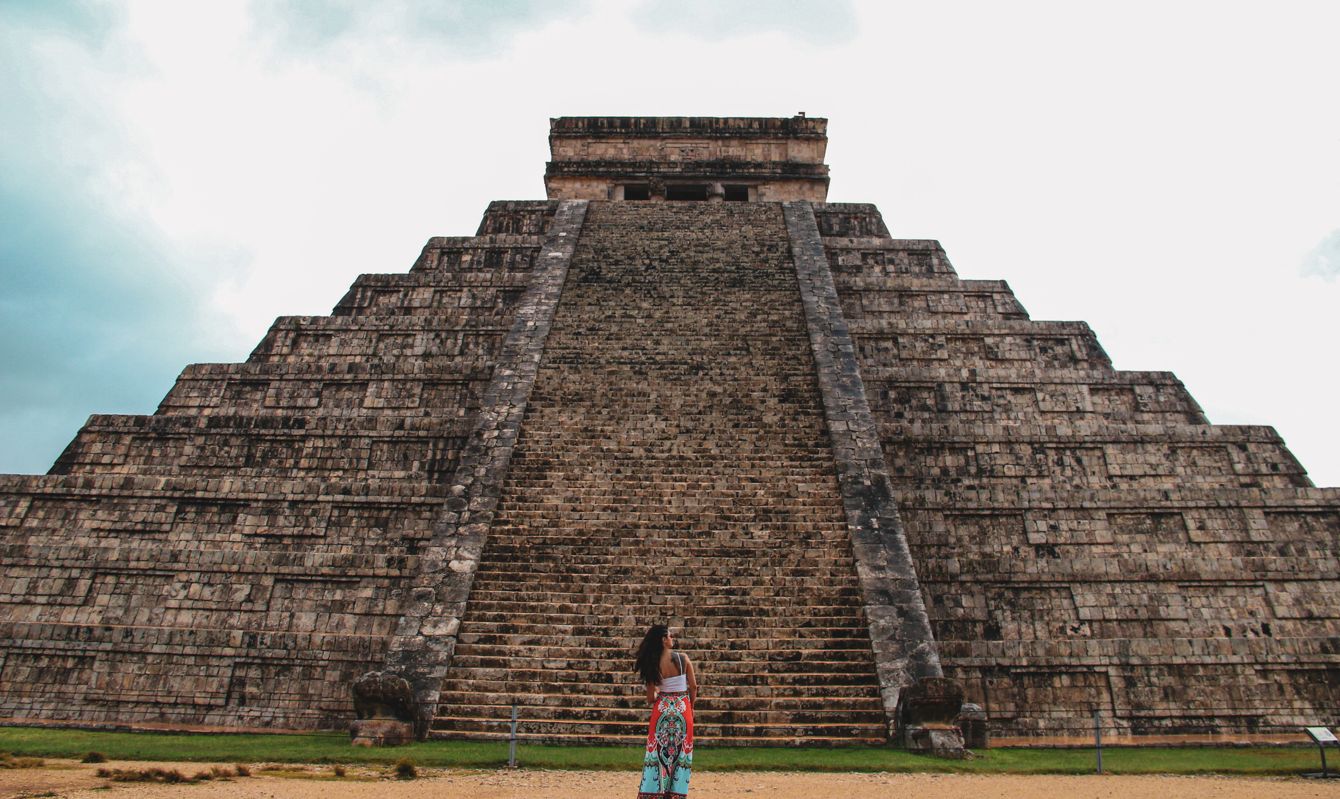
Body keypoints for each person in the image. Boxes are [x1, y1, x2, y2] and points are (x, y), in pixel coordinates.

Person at [634, 623, 697, 799]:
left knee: (657, 754)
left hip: (662, 710)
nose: (672, 638)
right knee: (681, 754)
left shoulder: (652, 664)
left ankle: (654, 792)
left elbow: (650, 698)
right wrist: (691, 706)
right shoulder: (683, 659)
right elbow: (693, 686)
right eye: (669, 635)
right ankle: (676, 793)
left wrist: (658, 693)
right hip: (683, 708)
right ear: (663, 640)